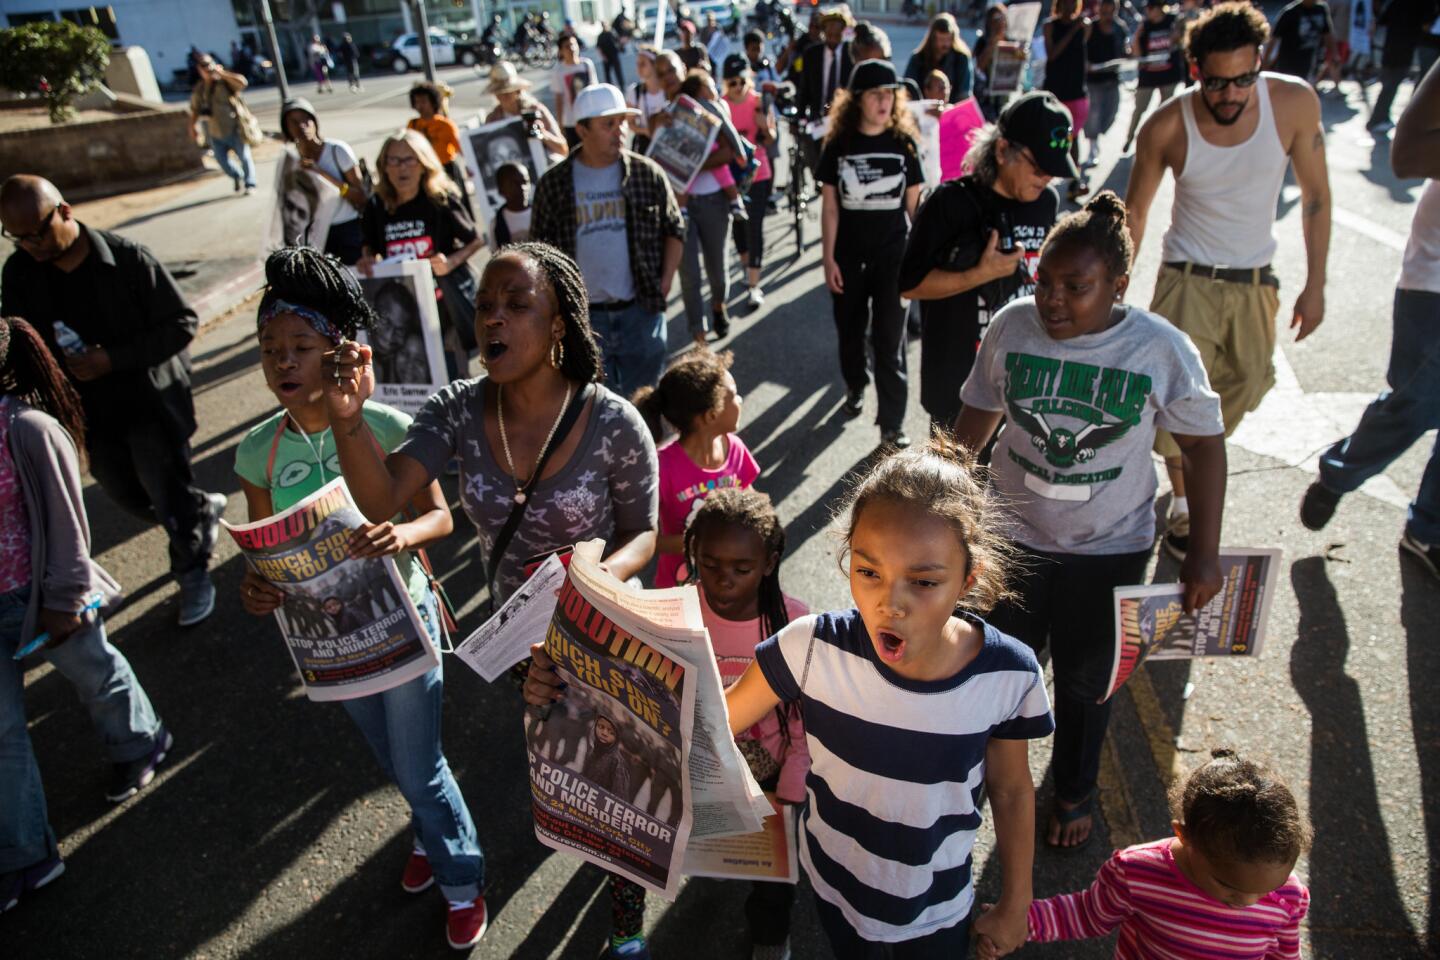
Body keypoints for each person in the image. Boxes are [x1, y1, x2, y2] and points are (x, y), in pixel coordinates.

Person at [324, 243, 659, 960]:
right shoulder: (456, 411)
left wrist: (591, 581)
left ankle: (626, 920)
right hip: (522, 642)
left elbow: (644, 535)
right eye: (484, 307)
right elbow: (381, 496)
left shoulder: (614, 422)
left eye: (516, 305)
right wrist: (349, 420)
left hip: (607, 634)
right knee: (565, 769)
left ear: (559, 324)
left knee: (620, 777)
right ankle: (581, 836)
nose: (493, 320)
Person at [954, 192, 1226, 850]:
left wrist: (1203, 553)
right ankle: (971, 782)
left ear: (1118, 285)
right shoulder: (1012, 327)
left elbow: (1203, 445)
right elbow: (975, 418)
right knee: (994, 670)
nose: (1053, 300)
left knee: (1085, 682)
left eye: (1076, 287)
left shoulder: (1159, 348)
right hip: (1012, 540)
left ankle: (1074, 786)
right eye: (1044, 281)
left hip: (1110, 550)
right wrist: (945, 504)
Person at [233, 247, 485, 951]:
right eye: (270, 349)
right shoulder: (257, 451)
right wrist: (257, 588)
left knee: (421, 766)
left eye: (301, 347)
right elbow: (262, 550)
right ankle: (428, 838)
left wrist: (400, 536)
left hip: (404, 623)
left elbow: (441, 516)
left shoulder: (383, 427)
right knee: (395, 763)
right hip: (327, 642)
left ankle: (463, 878)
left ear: (338, 353)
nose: (283, 362)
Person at [708, 442, 1049, 956]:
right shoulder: (809, 648)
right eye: (869, 573)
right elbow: (712, 720)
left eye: (924, 582)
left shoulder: (1009, 676)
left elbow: (1012, 791)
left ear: (968, 579)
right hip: (835, 886)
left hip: (940, 904)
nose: (890, 604)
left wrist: (1016, 903)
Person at [1126, 1, 1331, 560]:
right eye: (1218, 83)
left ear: (1260, 64)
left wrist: (1316, 285)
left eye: (1244, 79)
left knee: (1248, 380)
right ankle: (1188, 505)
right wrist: (1114, 293)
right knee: (1177, 398)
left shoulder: (1293, 104)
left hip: (1255, 282)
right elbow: (1135, 212)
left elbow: (1315, 197)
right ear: (1195, 71)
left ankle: (1193, 469)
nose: (1232, 94)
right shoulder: (1167, 125)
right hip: (1186, 278)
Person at [0, 316, 173, 913]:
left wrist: (63, 599)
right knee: (1, 734)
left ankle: (141, 742)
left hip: (43, 597)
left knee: (94, 674)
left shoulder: (27, 428)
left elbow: (69, 528)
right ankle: (27, 857)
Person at [0, 175, 227, 626]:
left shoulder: (126, 259)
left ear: (65, 211)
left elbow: (181, 323)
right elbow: (16, 341)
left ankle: (192, 570)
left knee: (166, 494)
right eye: (17, 237)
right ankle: (197, 510)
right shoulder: (20, 273)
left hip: (149, 405)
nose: (30, 245)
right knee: (126, 495)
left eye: (38, 232)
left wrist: (112, 359)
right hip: (86, 415)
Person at [1301, 60, 1440, 579]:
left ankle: (1428, 529)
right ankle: (1339, 473)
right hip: (1436, 282)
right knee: (1416, 403)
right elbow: (1405, 154)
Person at [682, 487, 810, 959]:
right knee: (712, 855)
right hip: (698, 768)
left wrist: (793, 787)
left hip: (771, 776)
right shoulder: (677, 610)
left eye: (742, 568)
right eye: (710, 563)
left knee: (772, 883)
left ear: (769, 563)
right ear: (694, 552)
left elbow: (804, 718)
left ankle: (771, 939)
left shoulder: (792, 622)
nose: (723, 580)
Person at [1022, 750, 1311, 959]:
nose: (1247, 902)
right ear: (1184, 836)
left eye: (1266, 891)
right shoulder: (1137, 873)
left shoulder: (1288, 896)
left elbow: (1284, 954)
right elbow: (1088, 914)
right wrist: (1018, 921)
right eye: (1228, 886)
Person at [900, 92, 1068, 432]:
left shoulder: (1045, 202)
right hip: (958, 388)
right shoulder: (949, 203)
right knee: (956, 483)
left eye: (1055, 170)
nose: (1046, 178)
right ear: (1003, 149)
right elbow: (908, 283)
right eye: (1038, 167)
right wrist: (980, 274)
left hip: (1025, 385)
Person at [530, 83, 685, 399]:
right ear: (583, 130)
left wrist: (666, 281)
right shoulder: (553, 184)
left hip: (640, 312)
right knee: (592, 409)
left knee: (644, 404)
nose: (620, 132)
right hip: (584, 318)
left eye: (623, 123)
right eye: (608, 124)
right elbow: (538, 254)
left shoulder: (647, 174)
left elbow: (674, 229)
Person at [820, 60, 924, 450]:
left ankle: (892, 425)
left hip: (893, 260)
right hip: (848, 258)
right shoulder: (839, 145)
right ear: (857, 100)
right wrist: (828, 260)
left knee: (889, 341)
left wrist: (921, 261)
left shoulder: (904, 144)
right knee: (850, 332)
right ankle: (855, 385)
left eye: (889, 94)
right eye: (875, 94)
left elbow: (916, 208)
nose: (884, 101)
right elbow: (830, 207)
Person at [360, 130, 483, 379]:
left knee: (453, 379)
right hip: (403, 318)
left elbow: (476, 239)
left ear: (424, 163)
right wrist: (367, 260)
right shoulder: (377, 205)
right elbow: (370, 246)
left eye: (409, 160)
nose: (401, 168)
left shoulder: (440, 199)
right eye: (393, 160)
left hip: (443, 311)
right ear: (384, 166)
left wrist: (450, 262)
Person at [633, 348, 758, 588]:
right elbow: (644, 538)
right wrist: (697, 542)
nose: (740, 400)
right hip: (679, 589)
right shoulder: (662, 467)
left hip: (732, 586)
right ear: (710, 415)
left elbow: (749, 496)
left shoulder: (735, 448)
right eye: (734, 396)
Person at [281, 98, 367, 264]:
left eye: (306, 119)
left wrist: (321, 173)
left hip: (347, 229)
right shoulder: (291, 161)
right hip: (316, 236)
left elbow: (360, 196)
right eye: (294, 122)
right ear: (287, 129)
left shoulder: (337, 151)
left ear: (314, 121)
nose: (302, 126)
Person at [723, 55, 777, 309]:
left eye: (742, 80)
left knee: (755, 226)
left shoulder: (759, 103)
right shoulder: (720, 106)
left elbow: (770, 139)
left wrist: (763, 127)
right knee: (738, 226)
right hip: (730, 178)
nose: (738, 87)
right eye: (732, 82)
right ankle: (746, 267)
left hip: (759, 174)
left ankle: (755, 284)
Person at [187, 52, 257, 194]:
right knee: (222, 161)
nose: (206, 68)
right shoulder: (200, 89)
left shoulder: (224, 81)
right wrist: (192, 126)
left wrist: (222, 73)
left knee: (244, 157)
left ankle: (250, 184)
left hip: (235, 126)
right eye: (203, 66)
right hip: (215, 131)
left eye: (208, 64)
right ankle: (237, 176)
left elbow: (243, 83)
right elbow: (195, 110)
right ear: (199, 70)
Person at [1122, 0, 1186, 153]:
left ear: (1159, 8)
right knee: (1139, 109)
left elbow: (1178, 42)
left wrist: (1176, 34)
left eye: (1150, 8)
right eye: (1146, 8)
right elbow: (1136, 54)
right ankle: (1130, 138)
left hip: (1169, 74)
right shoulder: (1145, 26)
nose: (1148, 11)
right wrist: (1137, 36)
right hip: (1148, 75)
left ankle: (1160, 141)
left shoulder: (1173, 21)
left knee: (1165, 111)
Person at [1043, 0, 1092, 200]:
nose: (1070, 7)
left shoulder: (1085, 25)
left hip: (1076, 90)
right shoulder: (1049, 25)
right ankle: (1043, 177)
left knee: (1074, 137)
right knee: (1052, 136)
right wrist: (1072, 30)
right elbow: (1052, 54)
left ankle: (1074, 181)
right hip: (1055, 91)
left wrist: (1079, 27)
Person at [1366, 0, 1440, 131]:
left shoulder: (1396, 3)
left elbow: (1382, 19)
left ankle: (1381, 117)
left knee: (1389, 83)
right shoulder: (1422, 4)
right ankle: (1378, 119)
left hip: (1391, 46)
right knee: (1391, 84)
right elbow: (1426, 25)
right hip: (1403, 48)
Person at [407, 82, 471, 216]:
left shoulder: (445, 125)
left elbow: (462, 150)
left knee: (455, 207)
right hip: (426, 172)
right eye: (417, 102)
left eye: (424, 101)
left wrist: (471, 166)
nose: (420, 106)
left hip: (447, 169)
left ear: (433, 101)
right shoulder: (413, 125)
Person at [483, 62, 569, 161]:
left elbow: (563, 149)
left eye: (508, 91)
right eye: (499, 92)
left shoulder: (536, 111)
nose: (503, 96)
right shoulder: (492, 119)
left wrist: (543, 134)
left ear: (518, 91)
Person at [1084, 0, 1130, 167]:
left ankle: (1097, 135)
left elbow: (1125, 50)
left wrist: (1127, 56)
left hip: (1112, 77)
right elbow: (1081, 49)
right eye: (1104, 11)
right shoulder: (1091, 27)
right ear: (1099, 9)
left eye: (1111, 12)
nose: (1107, 16)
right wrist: (1086, 64)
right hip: (1093, 80)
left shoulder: (1120, 28)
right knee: (1093, 115)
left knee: (1112, 112)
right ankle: (1092, 147)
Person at [905, 13, 976, 102]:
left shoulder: (961, 58)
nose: (945, 44)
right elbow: (908, 89)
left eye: (948, 39)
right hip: (923, 110)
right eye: (942, 39)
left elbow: (964, 94)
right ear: (933, 38)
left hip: (952, 110)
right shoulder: (918, 59)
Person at [1265, 0, 1338, 83]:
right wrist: (1265, 61)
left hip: (1310, 61)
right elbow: (1274, 38)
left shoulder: (1321, 9)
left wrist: (1335, 54)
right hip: (1288, 63)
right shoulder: (1290, 12)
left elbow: (1328, 34)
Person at [554, 34, 599, 148]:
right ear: (561, 51)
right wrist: (560, 124)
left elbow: (595, 89)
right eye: (567, 46)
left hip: (589, 117)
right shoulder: (559, 71)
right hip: (571, 122)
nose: (572, 48)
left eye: (574, 44)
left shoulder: (586, 65)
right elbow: (559, 99)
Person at [625, 47, 669, 154]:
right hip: (646, 143)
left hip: (667, 143)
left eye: (643, 64)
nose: (638, 68)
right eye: (637, 64)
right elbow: (630, 123)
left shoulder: (668, 88)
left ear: (654, 65)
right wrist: (645, 131)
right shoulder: (635, 92)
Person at [491, 162, 532, 246]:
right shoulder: (497, 224)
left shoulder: (541, 213)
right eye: (515, 184)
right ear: (501, 189)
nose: (522, 188)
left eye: (525, 182)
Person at [598, 23, 625, 87]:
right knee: (607, 75)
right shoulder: (601, 36)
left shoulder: (612, 33)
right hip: (606, 57)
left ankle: (622, 86)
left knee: (618, 72)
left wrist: (621, 47)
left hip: (615, 56)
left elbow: (618, 41)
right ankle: (609, 87)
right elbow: (599, 48)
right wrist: (603, 57)